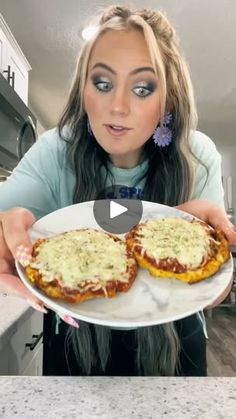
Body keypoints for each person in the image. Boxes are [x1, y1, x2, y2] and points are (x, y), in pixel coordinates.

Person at [0, 5, 235, 377]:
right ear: (84, 90)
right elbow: (6, 229)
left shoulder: (197, 155)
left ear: (168, 100)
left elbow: (217, 289)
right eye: (103, 84)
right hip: (73, 344)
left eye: (143, 88)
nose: (118, 106)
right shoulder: (54, 150)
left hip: (177, 348)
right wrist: (4, 228)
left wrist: (210, 266)